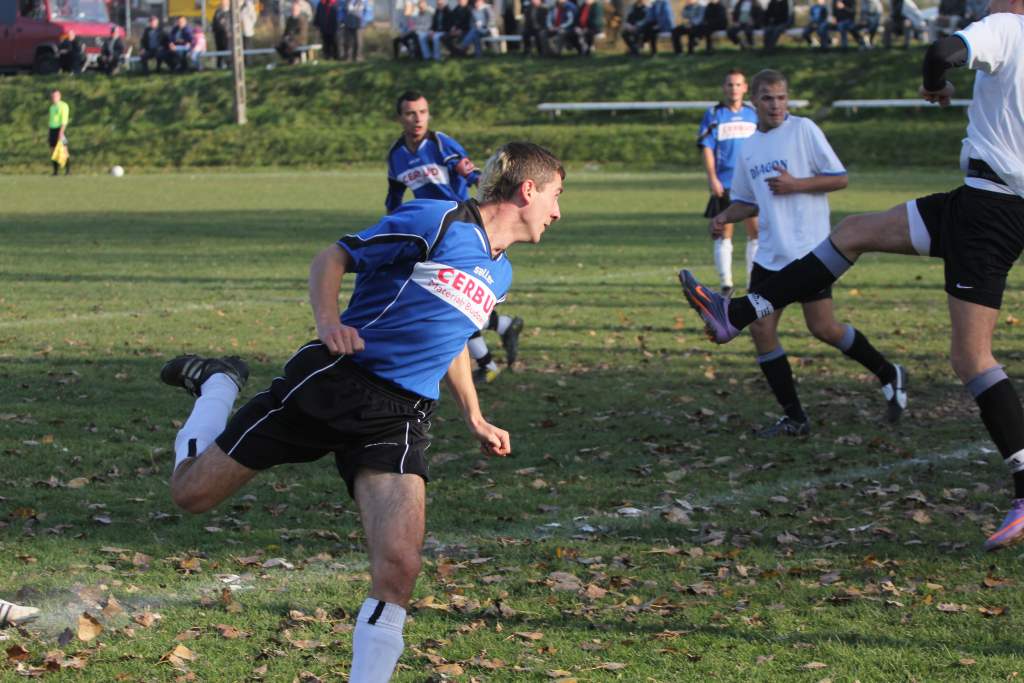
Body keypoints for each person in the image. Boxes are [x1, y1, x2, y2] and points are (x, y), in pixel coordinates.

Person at [160, 141, 563, 683]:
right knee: (191, 493)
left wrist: (474, 414)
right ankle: (216, 385)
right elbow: (333, 257)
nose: (558, 212)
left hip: (399, 419)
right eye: (556, 196)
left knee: (400, 566)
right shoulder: (436, 220)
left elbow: (451, 340)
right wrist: (329, 324)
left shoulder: (503, 273)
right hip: (335, 382)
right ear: (528, 190)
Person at [681, 9, 1024, 549]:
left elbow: (940, 52)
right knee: (856, 231)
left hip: (989, 208)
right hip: (986, 204)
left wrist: (936, 84)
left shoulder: (1008, 26)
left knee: (972, 358)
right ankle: (739, 313)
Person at [681, 69, 907, 438]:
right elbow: (748, 201)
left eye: (782, 97)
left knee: (824, 328)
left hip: (809, 255)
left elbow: (839, 177)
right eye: (768, 98)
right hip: (770, 254)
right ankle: (795, 417)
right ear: (754, 101)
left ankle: (888, 373)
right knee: (761, 327)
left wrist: (795, 184)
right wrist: (724, 215)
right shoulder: (750, 147)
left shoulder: (804, 130)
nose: (776, 105)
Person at [385, 92, 525, 381]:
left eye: (423, 112)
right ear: (400, 118)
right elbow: (394, 197)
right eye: (411, 113)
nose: (418, 119)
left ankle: (489, 360)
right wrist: (391, 229)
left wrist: (494, 196)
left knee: (449, 300)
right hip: (432, 230)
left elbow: (470, 173)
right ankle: (499, 337)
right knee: (447, 299)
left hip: (462, 225)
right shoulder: (396, 156)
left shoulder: (440, 143)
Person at [697, 71, 759, 297]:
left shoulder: (754, 114)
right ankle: (726, 283)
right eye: (730, 84)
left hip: (752, 183)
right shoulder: (714, 114)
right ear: (724, 88)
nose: (734, 89)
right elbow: (707, 147)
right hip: (725, 183)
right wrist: (712, 177)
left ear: (745, 88)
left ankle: (754, 282)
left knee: (756, 232)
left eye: (738, 85)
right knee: (724, 231)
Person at [47, 90, 70, 177]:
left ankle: (68, 171)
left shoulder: (63, 106)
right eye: (52, 97)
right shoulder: (52, 107)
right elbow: (51, 121)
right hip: (52, 130)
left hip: (61, 130)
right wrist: (49, 132)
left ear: (59, 96)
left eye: (55, 96)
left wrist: (61, 132)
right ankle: (55, 172)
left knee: (64, 149)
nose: (54, 98)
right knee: (53, 151)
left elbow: (64, 120)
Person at [213, 0, 232, 67]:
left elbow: (231, 23)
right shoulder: (218, 12)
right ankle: (219, 65)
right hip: (218, 35)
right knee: (219, 49)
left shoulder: (230, 12)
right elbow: (215, 23)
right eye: (222, 2)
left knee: (228, 49)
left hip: (227, 34)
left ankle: (229, 64)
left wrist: (229, 31)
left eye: (224, 2)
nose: (222, 3)